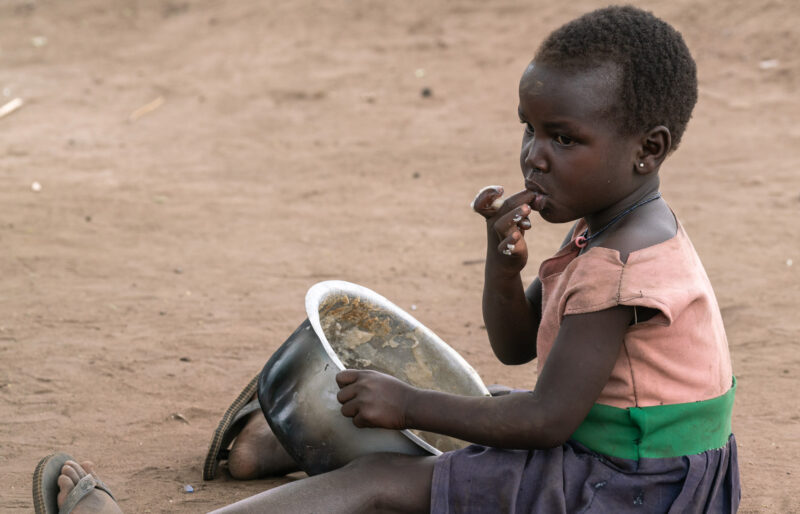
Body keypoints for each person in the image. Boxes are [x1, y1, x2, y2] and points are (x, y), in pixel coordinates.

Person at [35, 5, 740, 513]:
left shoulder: (618, 272)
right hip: (631, 460)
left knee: (375, 487)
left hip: (628, 488)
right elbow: (517, 346)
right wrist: (503, 262)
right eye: (528, 130)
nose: (534, 155)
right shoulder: (612, 230)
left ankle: (294, 452)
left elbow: (548, 422)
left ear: (646, 148)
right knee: (468, 406)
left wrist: (404, 402)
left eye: (562, 137)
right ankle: (284, 442)